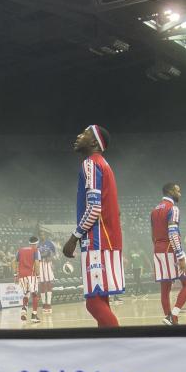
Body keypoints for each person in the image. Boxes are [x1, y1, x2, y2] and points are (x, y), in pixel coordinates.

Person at [62, 125, 123, 328]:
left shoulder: (90, 163)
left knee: (93, 304)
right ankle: (107, 351)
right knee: (102, 301)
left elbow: (94, 208)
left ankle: (123, 347)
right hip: (109, 240)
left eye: (85, 133)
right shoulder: (105, 164)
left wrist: (73, 238)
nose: (79, 135)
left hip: (97, 241)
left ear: (95, 142)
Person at [150, 183, 186, 325]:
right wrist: (180, 256)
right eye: (178, 191)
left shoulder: (154, 210)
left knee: (165, 288)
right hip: (171, 249)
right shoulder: (173, 208)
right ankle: (173, 315)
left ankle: (169, 318)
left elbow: (152, 235)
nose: (180, 194)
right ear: (170, 191)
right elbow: (173, 233)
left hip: (158, 249)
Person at [16, 236, 41, 323]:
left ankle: (24, 309)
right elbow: (37, 263)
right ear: (36, 243)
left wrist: (16, 274)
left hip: (22, 275)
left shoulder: (20, 250)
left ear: (29, 243)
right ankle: (34, 315)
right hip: (31, 274)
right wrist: (38, 275)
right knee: (35, 294)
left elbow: (15, 262)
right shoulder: (35, 250)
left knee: (26, 293)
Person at [37, 232, 56, 314]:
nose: (42, 236)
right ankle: (44, 304)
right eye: (40, 235)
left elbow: (54, 252)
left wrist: (51, 258)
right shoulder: (37, 244)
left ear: (45, 235)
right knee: (41, 284)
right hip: (40, 263)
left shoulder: (50, 243)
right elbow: (35, 256)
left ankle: (49, 304)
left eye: (43, 234)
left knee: (49, 283)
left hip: (48, 263)